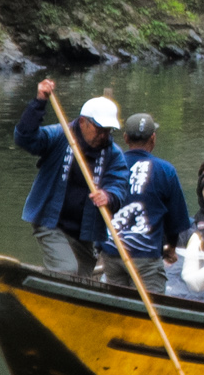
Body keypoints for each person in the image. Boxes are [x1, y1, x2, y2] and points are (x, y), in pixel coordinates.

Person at [12, 77, 132, 277]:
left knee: (82, 280)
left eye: (108, 131)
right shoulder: (60, 135)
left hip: (85, 230)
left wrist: (108, 196)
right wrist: (39, 102)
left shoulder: (113, 153)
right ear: (83, 122)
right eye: (99, 129)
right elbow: (25, 138)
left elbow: (119, 186)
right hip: (51, 223)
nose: (104, 135)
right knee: (66, 270)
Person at [109, 112, 193, 287]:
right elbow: (176, 220)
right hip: (145, 256)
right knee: (147, 309)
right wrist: (170, 247)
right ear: (153, 138)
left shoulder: (110, 165)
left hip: (111, 250)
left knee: (116, 305)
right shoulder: (165, 170)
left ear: (125, 138)